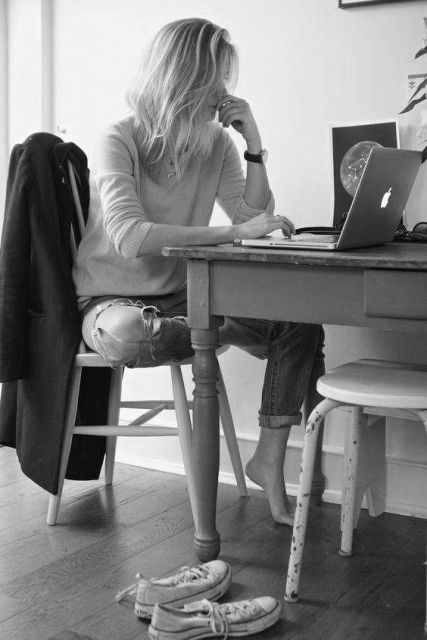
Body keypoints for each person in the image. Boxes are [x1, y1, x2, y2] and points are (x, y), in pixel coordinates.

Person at [72, 17, 324, 525]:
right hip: (111, 303)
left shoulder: (216, 143)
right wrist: (233, 233)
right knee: (129, 334)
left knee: (299, 322)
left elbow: (254, 217)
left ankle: (268, 459)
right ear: (184, 77)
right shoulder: (118, 138)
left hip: (185, 299)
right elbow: (130, 237)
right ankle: (208, 332)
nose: (224, 91)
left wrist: (254, 142)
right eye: (217, 78)